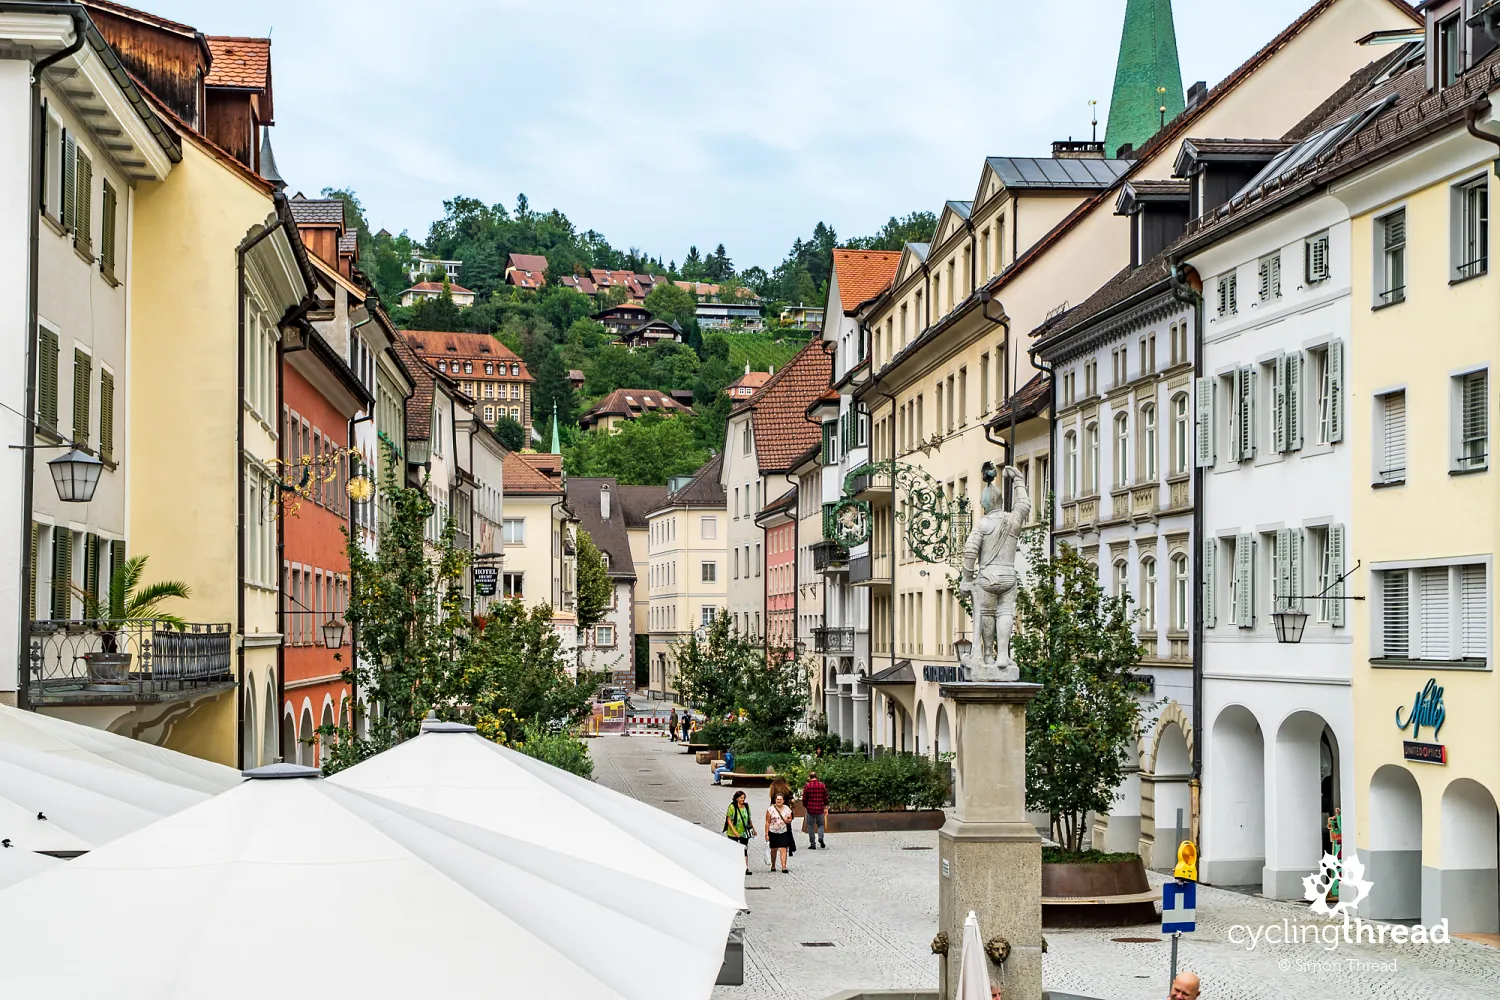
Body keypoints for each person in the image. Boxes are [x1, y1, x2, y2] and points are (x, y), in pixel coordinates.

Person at [723, 791, 755, 876]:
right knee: (734, 849)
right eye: (741, 798)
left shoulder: (746, 806)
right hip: (733, 832)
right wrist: (734, 831)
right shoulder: (732, 807)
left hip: (744, 832)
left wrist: (753, 829)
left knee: (744, 849)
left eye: (744, 798)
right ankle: (733, 866)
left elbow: (749, 818)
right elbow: (729, 820)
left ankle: (745, 868)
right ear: (737, 798)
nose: (743, 799)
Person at [765, 792, 794, 873]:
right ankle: (773, 865)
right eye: (777, 799)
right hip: (773, 831)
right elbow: (767, 822)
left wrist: (787, 820)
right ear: (775, 800)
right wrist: (766, 834)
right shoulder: (770, 809)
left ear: (783, 801)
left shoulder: (787, 809)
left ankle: (784, 867)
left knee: (783, 849)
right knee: (773, 850)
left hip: (783, 831)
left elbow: (790, 819)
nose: (779, 801)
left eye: (780, 799)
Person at [801, 771, 828, 849]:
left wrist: (805, 805)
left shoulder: (807, 786)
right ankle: (821, 837)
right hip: (820, 808)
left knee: (810, 826)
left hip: (810, 809)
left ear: (810, 777)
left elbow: (804, 798)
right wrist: (825, 807)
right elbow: (825, 797)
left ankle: (813, 844)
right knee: (821, 825)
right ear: (817, 777)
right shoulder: (822, 785)